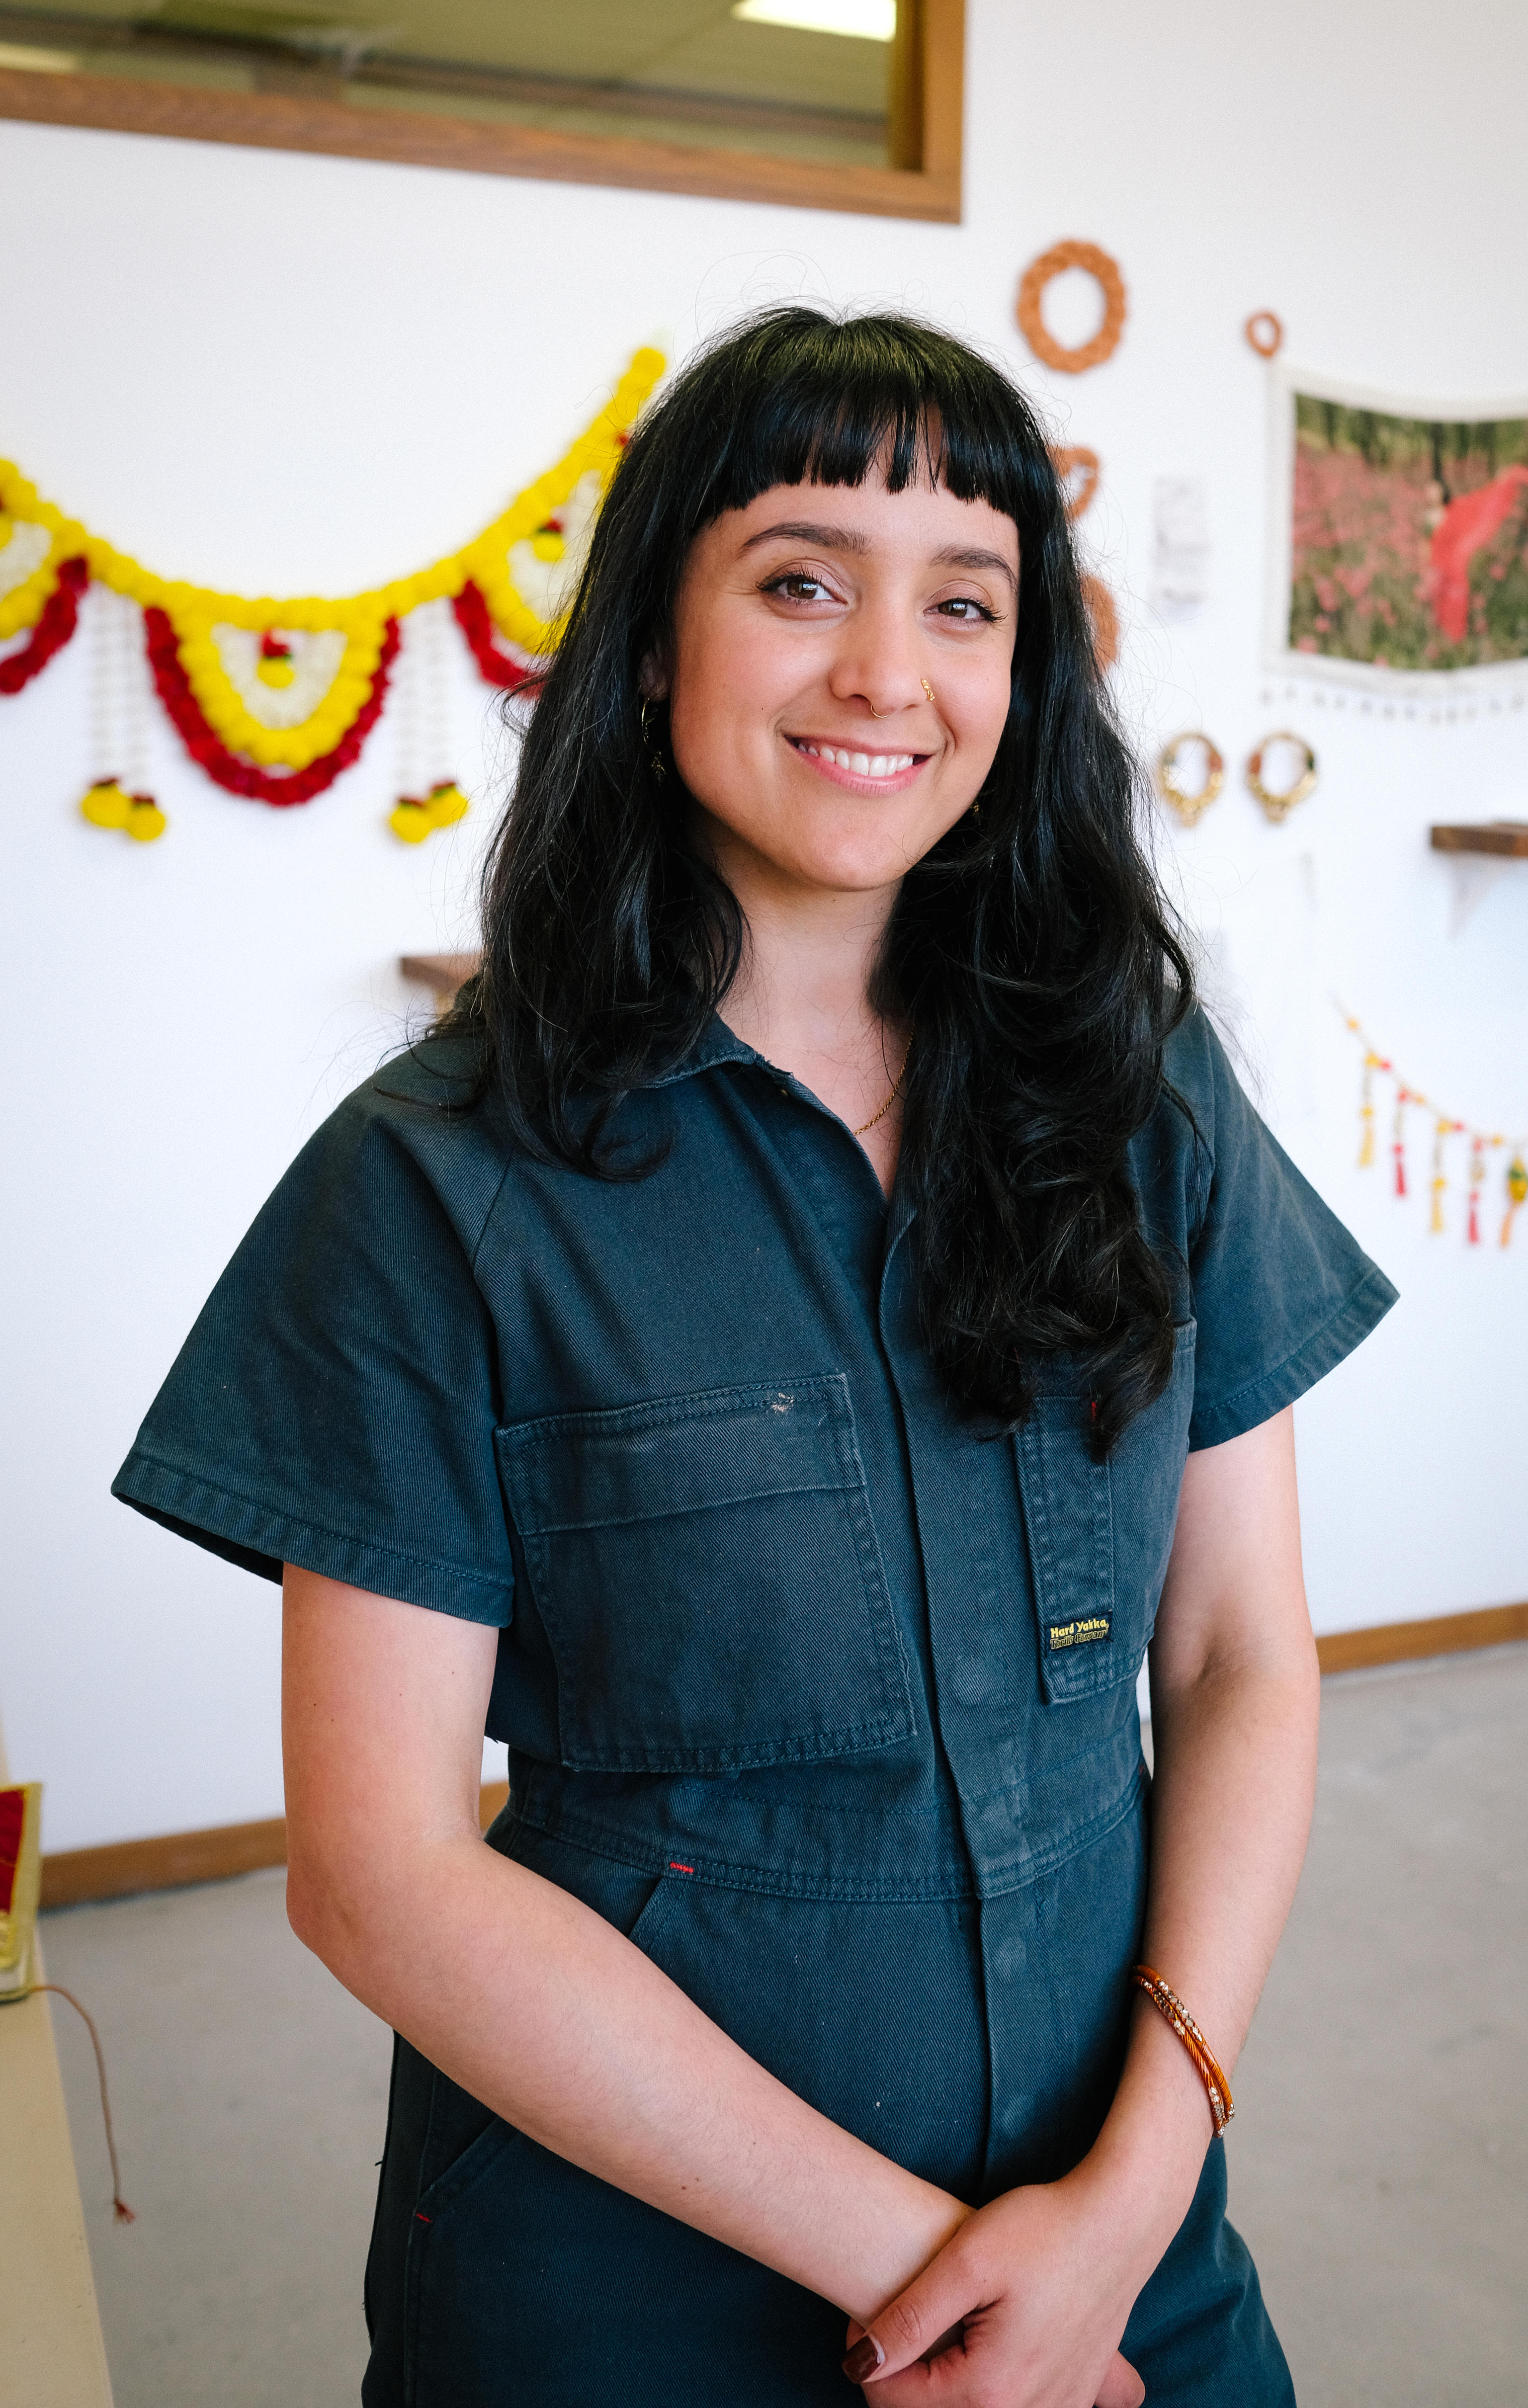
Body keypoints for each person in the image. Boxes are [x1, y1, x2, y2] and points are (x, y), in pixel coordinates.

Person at [115, 307, 1396, 2406]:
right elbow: (380, 1871)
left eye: (963, 602)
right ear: (650, 645)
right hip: (628, 2288)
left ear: (1025, 670)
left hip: (1123, 2237)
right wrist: (950, 2285)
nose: (888, 671)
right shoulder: (436, 1186)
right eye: (802, 578)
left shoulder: (1134, 1088)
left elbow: (1242, 1653)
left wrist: (1135, 2190)